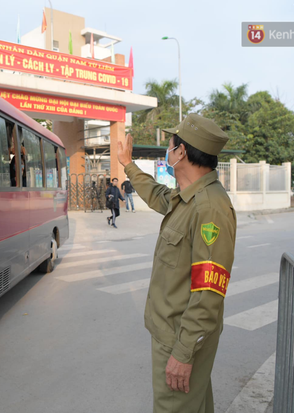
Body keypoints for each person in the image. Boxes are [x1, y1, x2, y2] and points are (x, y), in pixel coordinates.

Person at [117, 114, 236, 413]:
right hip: (174, 333)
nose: (167, 149)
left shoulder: (210, 208)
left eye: (170, 143)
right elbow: (157, 195)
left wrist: (183, 354)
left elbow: (208, 294)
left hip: (180, 338)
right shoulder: (188, 198)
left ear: (181, 152)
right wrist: (128, 164)